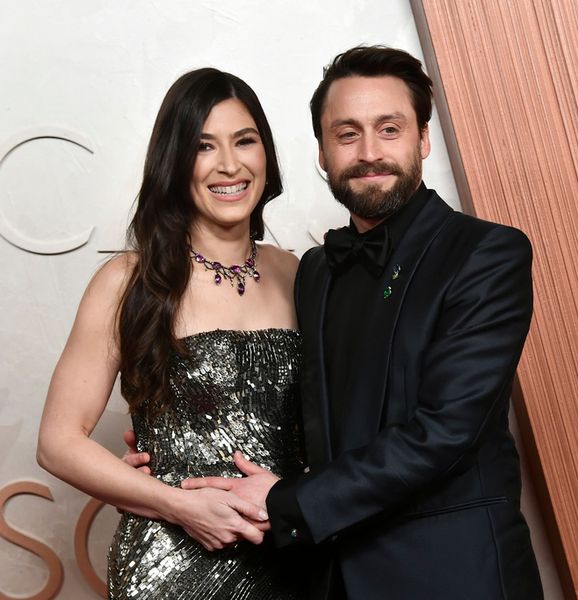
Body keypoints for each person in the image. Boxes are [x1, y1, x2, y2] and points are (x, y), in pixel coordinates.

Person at [179, 46, 544, 599]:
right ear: (322, 153)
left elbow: (443, 431)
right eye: (347, 134)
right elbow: (288, 403)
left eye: (389, 129)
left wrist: (287, 503)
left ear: (423, 139)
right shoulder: (316, 272)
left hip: (454, 577)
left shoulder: (487, 254)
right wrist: (180, 430)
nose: (369, 153)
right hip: (330, 577)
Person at [37, 68, 308, 599]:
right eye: (204, 146)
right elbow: (57, 441)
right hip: (169, 567)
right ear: (174, 162)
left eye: (244, 141)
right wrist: (178, 504)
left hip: (292, 561)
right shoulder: (127, 281)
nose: (229, 165)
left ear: (266, 154)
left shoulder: (300, 273)